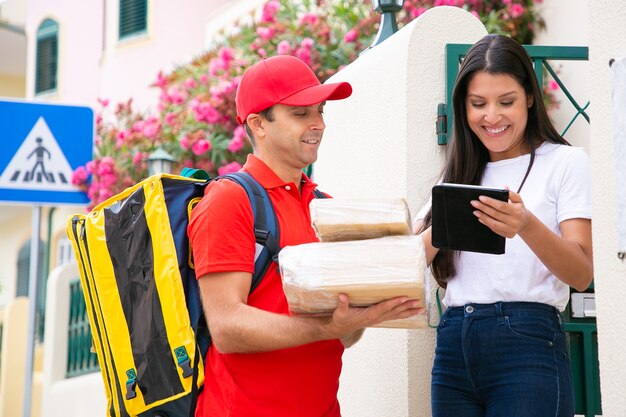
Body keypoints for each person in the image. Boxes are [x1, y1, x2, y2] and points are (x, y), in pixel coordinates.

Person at [188, 55, 423, 417]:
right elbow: (228, 326)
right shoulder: (229, 200)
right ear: (258, 124)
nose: (318, 124)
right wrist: (324, 327)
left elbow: (341, 334)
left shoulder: (325, 207)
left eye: (320, 111)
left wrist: (360, 314)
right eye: (300, 114)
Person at [415, 34, 593, 417]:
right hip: (452, 346)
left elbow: (581, 273)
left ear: (530, 96)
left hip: (527, 343)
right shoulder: (458, 173)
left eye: (506, 102)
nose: (491, 116)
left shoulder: (566, 162)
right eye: (478, 104)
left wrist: (526, 224)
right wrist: (443, 228)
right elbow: (407, 266)